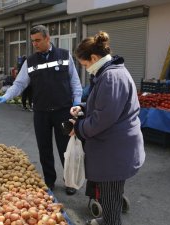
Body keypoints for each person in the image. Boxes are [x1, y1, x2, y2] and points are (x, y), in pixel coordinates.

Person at [0, 25, 82, 195]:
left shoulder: (64, 55)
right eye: (33, 41)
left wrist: (76, 103)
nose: (35, 44)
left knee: (66, 148)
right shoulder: (30, 61)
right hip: (41, 113)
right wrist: (7, 95)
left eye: (38, 40)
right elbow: (20, 83)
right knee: (44, 148)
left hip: (63, 111)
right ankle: (49, 181)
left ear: (48, 38)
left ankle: (70, 181)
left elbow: (75, 82)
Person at [69, 32, 145, 225]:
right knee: (112, 192)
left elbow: (102, 119)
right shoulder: (111, 72)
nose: (86, 69)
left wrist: (78, 128)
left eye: (85, 65)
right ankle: (108, 219)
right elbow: (107, 106)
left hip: (114, 149)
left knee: (110, 193)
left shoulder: (111, 77)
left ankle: (111, 222)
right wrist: (85, 107)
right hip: (117, 146)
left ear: (94, 58)